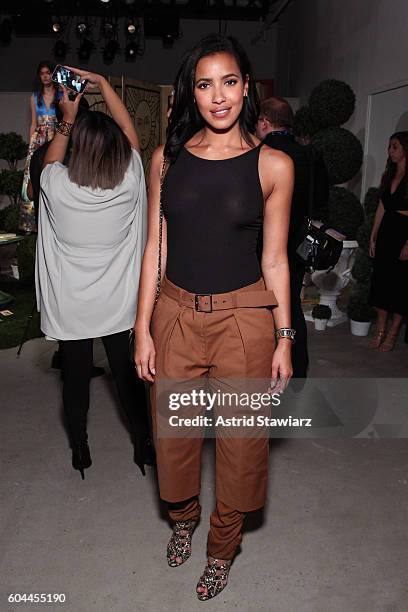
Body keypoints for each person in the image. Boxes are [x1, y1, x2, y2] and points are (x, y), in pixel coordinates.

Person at [134, 34, 294, 600]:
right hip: (175, 314)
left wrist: (285, 338)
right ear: (192, 93)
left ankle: (222, 548)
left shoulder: (274, 164)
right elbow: (155, 248)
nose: (218, 96)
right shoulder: (167, 160)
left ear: (246, 87)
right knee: (173, 441)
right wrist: (142, 328)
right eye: (205, 84)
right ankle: (183, 519)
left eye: (229, 82)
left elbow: (275, 258)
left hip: (245, 321)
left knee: (241, 444)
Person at [35, 70, 154, 479]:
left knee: (75, 379)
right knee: (126, 375)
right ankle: (143, 442)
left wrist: (67, 115)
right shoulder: (130, 180)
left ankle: (81, 448)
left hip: (72, 307)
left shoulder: (56, 186)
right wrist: (103, 85)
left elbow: (51, 158)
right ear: (117, 151)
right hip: (118, 305)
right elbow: (130, 132)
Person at [29, 97, 105, 379]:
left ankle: (66, 357)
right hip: (69, 241)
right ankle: (75, 365)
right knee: (78, 308)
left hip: (46, 234)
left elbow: (29, 193)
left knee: (60, 300)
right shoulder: (73, 156)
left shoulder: (42, 153)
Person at [256, 96, 329, 379]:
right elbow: (322, 200)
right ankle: (297, 369)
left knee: (260, 308)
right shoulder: (310, 155)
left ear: (264, 122)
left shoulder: (259, 153)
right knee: (291, 304)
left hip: (261, 243)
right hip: (299, 244)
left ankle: (263, 366)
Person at [368, 131, 408, 351]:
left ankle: (393, 334)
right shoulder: (388, 175)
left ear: (405, 149)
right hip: (386, 233)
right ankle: (381, 329)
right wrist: (374, 235)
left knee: (400, 286)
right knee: (381, 284)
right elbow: (382, 207)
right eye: (389, 147)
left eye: (394, 147)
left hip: (403, 234)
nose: (390, 151)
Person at [21, 61, 62, 232]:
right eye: (42, 73)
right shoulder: (34, 97)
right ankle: (31, 223)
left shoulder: (60, 95)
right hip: (38, 139)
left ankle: (56, 221)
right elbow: (32, 123)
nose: (45, 76)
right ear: (39, 76)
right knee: (30, 178)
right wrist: (30, 143)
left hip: (56, 136)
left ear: (53, 74)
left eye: (48, 72)